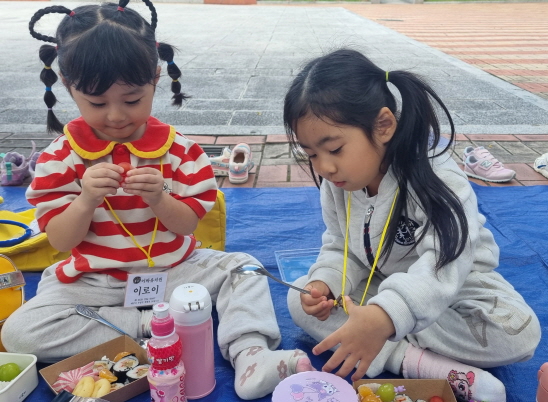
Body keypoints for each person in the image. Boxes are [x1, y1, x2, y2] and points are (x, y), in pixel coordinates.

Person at [0, 2, 313, 399]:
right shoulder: (59, 158)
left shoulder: (179, 151)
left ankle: (251, 354)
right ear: (67, 85)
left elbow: (186, 226)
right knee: (19, 331)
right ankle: (147, 327)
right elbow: (61, 242)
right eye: (97, 104)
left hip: (175, 270)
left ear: (156, 78)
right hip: (95, 282)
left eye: (132, 100)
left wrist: (161, 198)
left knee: (245, 268)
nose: (115, 116)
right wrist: (85, 200)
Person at [284, 49, 541, 402]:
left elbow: (443, 267)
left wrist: (385, 317)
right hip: (383, 285)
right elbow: (339, 247)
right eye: (311, 154)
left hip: (457, 288)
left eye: (335, 149)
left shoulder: (438, 181)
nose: (325, 167)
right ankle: (418, 363)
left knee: (519, 333)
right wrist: (325, 283)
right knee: (298, 298)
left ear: (384, 125)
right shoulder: (337, 186)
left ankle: (382, 335)